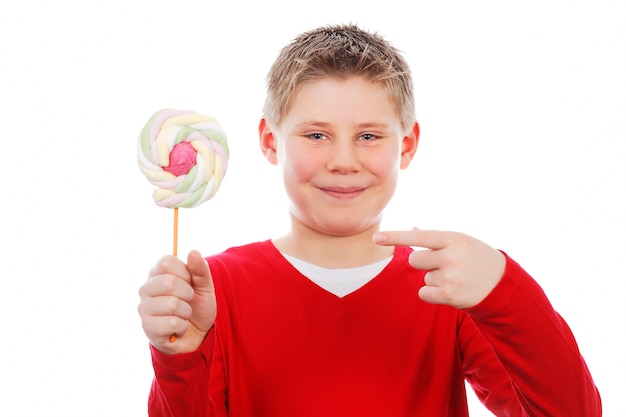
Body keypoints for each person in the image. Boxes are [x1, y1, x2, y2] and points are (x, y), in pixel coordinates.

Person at [137, 23, 601, 416]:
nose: (343, 160)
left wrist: (503, 289)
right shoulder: (211, 290)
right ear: (270, 139)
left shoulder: (447, 291)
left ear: (407, 144)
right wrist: (180, 357)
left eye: (368, 136)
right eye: (317, 134)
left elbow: (572, 410)